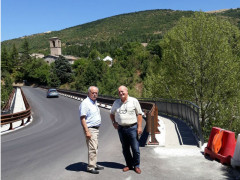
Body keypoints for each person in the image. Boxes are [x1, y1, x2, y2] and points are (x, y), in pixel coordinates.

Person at [110, 85, 143, 174]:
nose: (121, 93)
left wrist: (139, 127)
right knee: (125, 148)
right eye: (119, 92)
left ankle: (136, 166)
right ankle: (129, 165)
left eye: (122, 91)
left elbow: (139, 114)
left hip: (132, 128)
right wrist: (114, 122)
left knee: (135, 148)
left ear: (127, 91)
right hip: (121, 129)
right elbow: (111, 113)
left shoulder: (133, 101)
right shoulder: (116, 102)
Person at [79, 86, 104, 174]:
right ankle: (91, 167)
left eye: (96, 93)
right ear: (89, 93)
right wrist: (87, 131)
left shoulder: (94, 102)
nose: (94, 94)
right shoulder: (85, 103)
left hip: (95, 129)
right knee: (92, 148)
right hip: (90, 129)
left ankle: (94, 163)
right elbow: (82, 118)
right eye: (92, 93)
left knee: (95, 147)